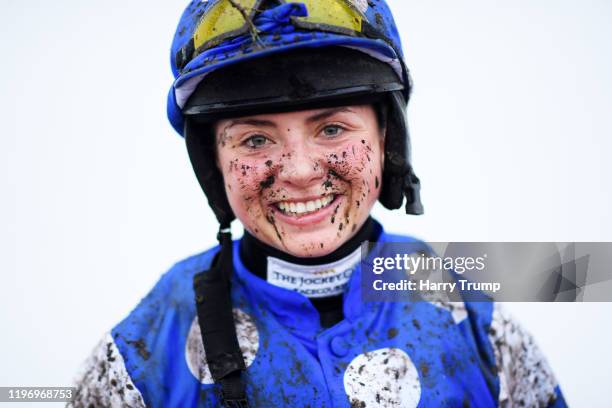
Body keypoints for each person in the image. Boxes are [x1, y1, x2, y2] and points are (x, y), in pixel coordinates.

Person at [71, 1, 567, 407]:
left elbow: (577, 274)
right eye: (254, 141)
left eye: (332, 129)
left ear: (386, 138)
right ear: (214, 163)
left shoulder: (469, 306)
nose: (301, 171)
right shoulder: (147, 348)